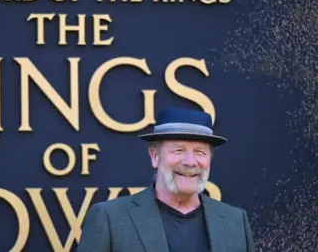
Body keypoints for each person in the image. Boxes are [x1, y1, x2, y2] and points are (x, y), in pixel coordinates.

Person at [76, 108, 255, 252]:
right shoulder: (110, 219)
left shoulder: (236, 222)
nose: (190, 162)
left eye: (200, 152)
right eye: (178, 150)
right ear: (155, 156)